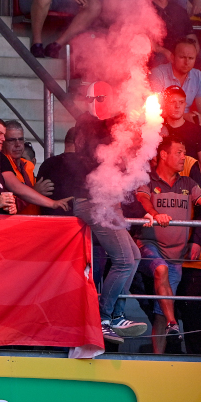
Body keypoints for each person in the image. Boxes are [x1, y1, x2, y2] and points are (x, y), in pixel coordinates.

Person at [135, 135, 201, 352]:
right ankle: (173, 322)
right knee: (160, 269)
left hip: (176, 256)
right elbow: (142, 199)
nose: (184, 157)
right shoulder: (147, 180)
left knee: (160, 312)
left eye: (184, 153)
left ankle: (158, 357)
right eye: (179, 153)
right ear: (163, 155)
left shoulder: (188, 183)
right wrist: (155, 214)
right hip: (149, 246)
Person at [67, 82, 149, 344]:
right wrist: (128, 116)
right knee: (124, 260)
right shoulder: (87, 123)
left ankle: (115, 315)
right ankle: (103, 318)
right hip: (93, 201)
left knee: (133, 257)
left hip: (105, 201)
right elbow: (102, 133)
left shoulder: (103, 127)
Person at [149, 40, 201, 164]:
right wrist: (185, 116)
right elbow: (154, 111)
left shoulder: (198, 76)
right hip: (164, 120)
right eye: (182, 57)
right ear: (172, 57)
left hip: (187, 123)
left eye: (191, 58)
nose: (187, 62)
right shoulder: (159, 73)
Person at [159, 85, 201, 186]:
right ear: (164, 105)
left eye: (181, 102)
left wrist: (197, 190)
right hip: (161, 186)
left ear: (185, 104)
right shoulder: (157, 129)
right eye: (172, 102)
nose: (177, 106)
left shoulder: (196, 130)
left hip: (187, 186)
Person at [36, 126, 80, 215]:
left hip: (49, 220)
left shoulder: (47, 164)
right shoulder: (85, 166)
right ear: (80, 143)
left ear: (65, 142)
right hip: (78, 221)